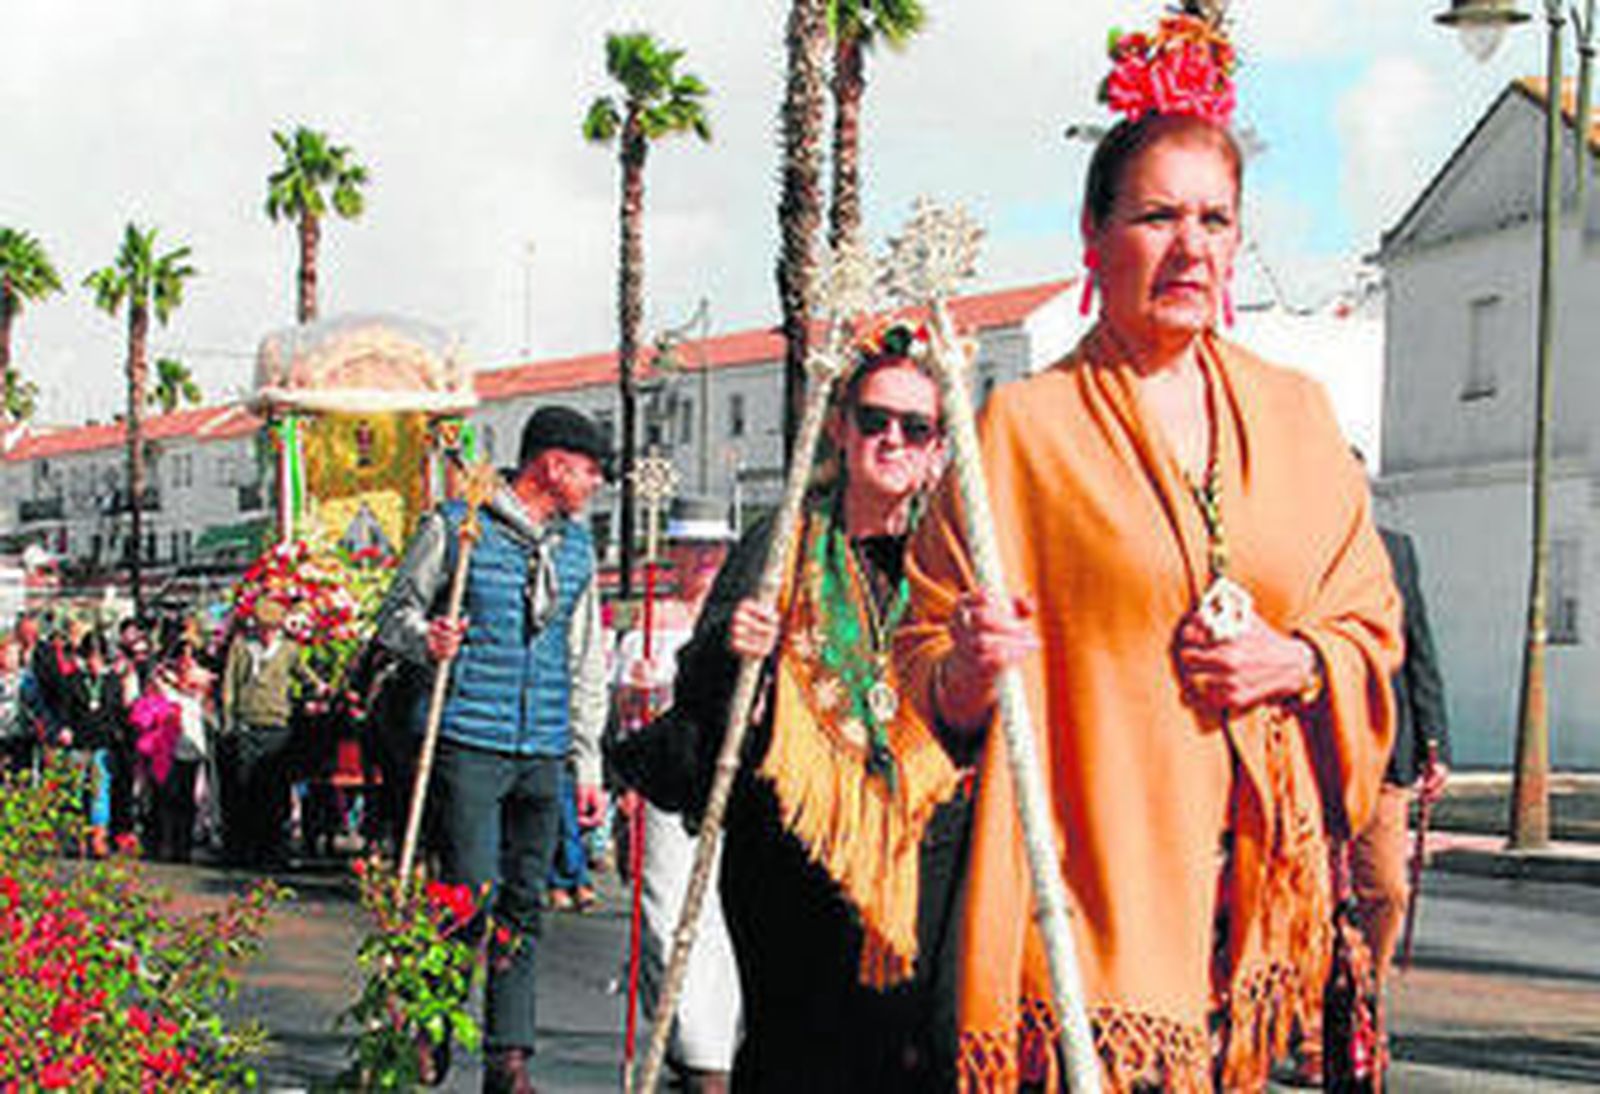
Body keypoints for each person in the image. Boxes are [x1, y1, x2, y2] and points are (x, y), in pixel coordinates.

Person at [894, 14, 1404, 1091]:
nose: (1191, 247)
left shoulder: (1300, 415)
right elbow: (922, 660)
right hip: (1083, 891)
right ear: (1093, 234)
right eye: (1157, 215)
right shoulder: (1022, 431)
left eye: (1215, 218)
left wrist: (1298, 660)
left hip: (1248, 897)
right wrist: (971, 669)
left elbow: (1369, 618)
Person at [620, 322, 968, 1090]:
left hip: (920, 854)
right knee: (797, 1056)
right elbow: (701, 689)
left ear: (938, 447)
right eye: (874, 419)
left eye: (915, 427)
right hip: (791, 856)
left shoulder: (951, 557)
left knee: (910, 1057)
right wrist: (734, 648)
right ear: (840, 427)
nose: (892, 439)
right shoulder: (782, 541)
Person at [374, 404, 612, 1093]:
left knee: (524, 903)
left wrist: (587, 763)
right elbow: (393, 616)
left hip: (543, 746)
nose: (595, 484)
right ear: (554, 466)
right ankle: (435, 1020)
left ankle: (510, 1057)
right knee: (468, 896)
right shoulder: (458, 527)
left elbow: (585, 658)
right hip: (467, 737)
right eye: (589, 471)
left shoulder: (577, 549)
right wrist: (427, 637)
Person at [606, 494, 743, 1092]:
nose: (706, 559)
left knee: (721, 917)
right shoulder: (645, 628)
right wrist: (634, 696)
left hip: (727, 782)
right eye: (695, 548)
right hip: (665, 785)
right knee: (665, 913)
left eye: (715, 548)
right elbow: (622, 722)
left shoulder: (739, 621)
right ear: (675, 554)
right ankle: (689, 1042)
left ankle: (717, 1045)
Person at [219, 597, 323, 869]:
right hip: (247, 724)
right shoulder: (242, 647)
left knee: (275, 792)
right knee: (245, 789)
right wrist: (229, 722)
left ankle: (273, 849)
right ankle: (244, 849)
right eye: (263, 628)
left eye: (272, 628)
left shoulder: (288, 650)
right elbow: (229, 686)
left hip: (277, 726)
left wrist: (318, 693)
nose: (267, 634)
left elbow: (307, 678)